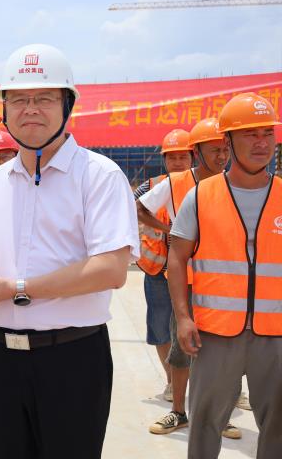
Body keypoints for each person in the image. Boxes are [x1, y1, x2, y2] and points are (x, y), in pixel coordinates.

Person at [0, 44, 139, 459]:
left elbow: (110, 269)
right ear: (5, 109)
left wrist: (18, 288)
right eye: (18, 99)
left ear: (67, 104)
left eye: (44, 98)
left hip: (71, 360)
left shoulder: (99, 176)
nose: (30, 109)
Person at [170, 92, 282, 459]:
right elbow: (177, 257)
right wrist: (183, 318)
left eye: (267, 133)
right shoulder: (202, 196)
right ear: (228, 141)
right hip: (215, 334)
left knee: (279, 426)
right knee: (205, 422)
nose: (262, 143)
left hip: (276, 335)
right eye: (250, 134)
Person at [138, 117, 242, 438]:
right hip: (185, 280)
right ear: (197, 152)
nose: (222, 156)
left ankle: (219, 415)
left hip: (224, 283)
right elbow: (139, 208)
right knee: (182, 348)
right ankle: (179, 412)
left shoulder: (234, 183)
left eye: (225, 149)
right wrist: (167, 230)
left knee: (220, 353)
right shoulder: (175, 183)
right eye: (215, 150)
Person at [134, 128, 193, 404]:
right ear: (165, 160)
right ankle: (172, 382)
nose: (177, 162)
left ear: (192, 157)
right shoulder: (152, 186)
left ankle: (226, 387)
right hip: (158, 270)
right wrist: (168, 229)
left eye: (183, 156)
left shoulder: (204, 185)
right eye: (172, 157)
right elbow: (132, 209)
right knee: (160, 328)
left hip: (195, 271)